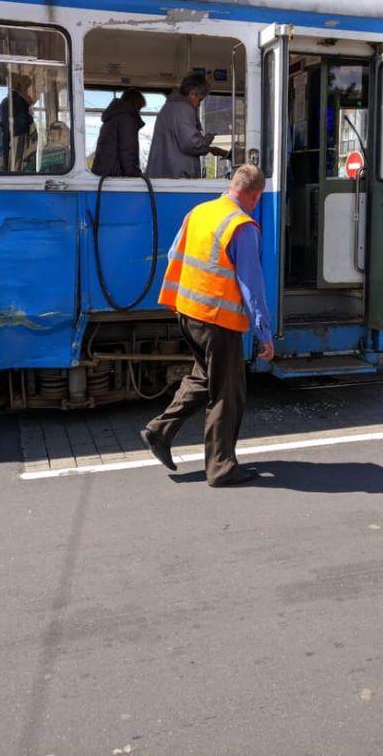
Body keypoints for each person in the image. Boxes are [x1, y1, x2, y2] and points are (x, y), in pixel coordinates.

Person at [140, 164, 274, 487]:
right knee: (228, 393)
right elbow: (251, 288)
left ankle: (159, 431)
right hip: (218, 321)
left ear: (233, 186)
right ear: (255, 195)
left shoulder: (200, 212)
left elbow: (175, 253)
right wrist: (264, 334)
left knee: (204, 378)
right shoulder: (242, 227)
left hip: (188, 313)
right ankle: (221, 468)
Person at [145, 73, 228, 179]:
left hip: (165, 173)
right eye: (200, 100)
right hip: (177, 176)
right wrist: (206, 141)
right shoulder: (183, 108)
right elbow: (190, 143)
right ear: (192, 94)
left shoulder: (169, 107)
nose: (198, 104)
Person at [0, 74, 36, 171]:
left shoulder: (8, 103)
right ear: (22, 87)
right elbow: (14, 134)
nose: (34, 94)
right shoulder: (17, 104)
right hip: (13, 158)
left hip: (4, 157)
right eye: (30, 88)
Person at [92, 88, 146, 178]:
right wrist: (134, 174)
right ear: (136, 104)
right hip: (115, 174)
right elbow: (127, 150)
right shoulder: (126, 118)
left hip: (104, 172)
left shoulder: (112, 117)